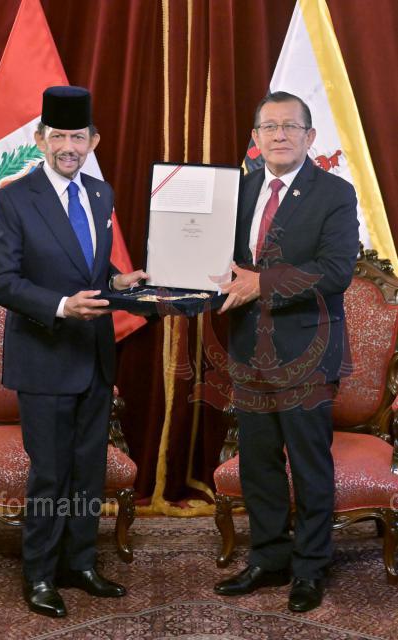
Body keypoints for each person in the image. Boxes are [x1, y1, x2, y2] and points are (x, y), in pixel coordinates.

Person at [0, 86, 146, 618]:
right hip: (44, 357)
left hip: (94, 357)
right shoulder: (13, 198)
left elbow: (87, 269)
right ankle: (39, 574)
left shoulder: (100, 193)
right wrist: (59, 306)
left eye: (78, 137)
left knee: (87, 469)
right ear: (40, 139)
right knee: (51, 473)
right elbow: (1, 281)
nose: (68, 147)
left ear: (93, 141)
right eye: (58, 136)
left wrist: (119, 282)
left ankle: (80, 564)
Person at [214, 91, 359, 612]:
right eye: (269, 127)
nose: (279, 135)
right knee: (258, 463)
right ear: (255, 138)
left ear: (310, 136)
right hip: (248, 349)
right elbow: (221, 261)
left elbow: (336, 271)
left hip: (307, 353)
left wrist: (262, 284)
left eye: (290, 126)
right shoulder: (239, 190)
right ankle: (269, 558)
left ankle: (310, 568)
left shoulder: (334, 193)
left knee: (309, 462)